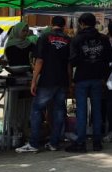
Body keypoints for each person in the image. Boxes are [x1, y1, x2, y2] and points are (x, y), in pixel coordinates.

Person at [16, 16, 71, 153]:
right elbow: (69, 64)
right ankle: (54, 143)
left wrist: (34, 80)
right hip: (62, 80)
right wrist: (69, 82)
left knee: (36, 109)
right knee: (58, 111)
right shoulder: (69, 40)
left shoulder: (45, 37)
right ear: (64, 25)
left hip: (47, 80)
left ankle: (34, 143)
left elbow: (39, 61)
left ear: (52, 24)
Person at [66, 13, 112, 153]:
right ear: (94, 23)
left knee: (81, 111)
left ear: (81, 23)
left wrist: (70, 80)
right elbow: (109, 59)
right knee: (97, 110)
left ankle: (81, 142)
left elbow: (72, 61)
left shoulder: (77, 39)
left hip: (82, 77)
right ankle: (97, 142)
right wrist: (104, 76)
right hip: (98, 78)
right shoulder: (104, 39)